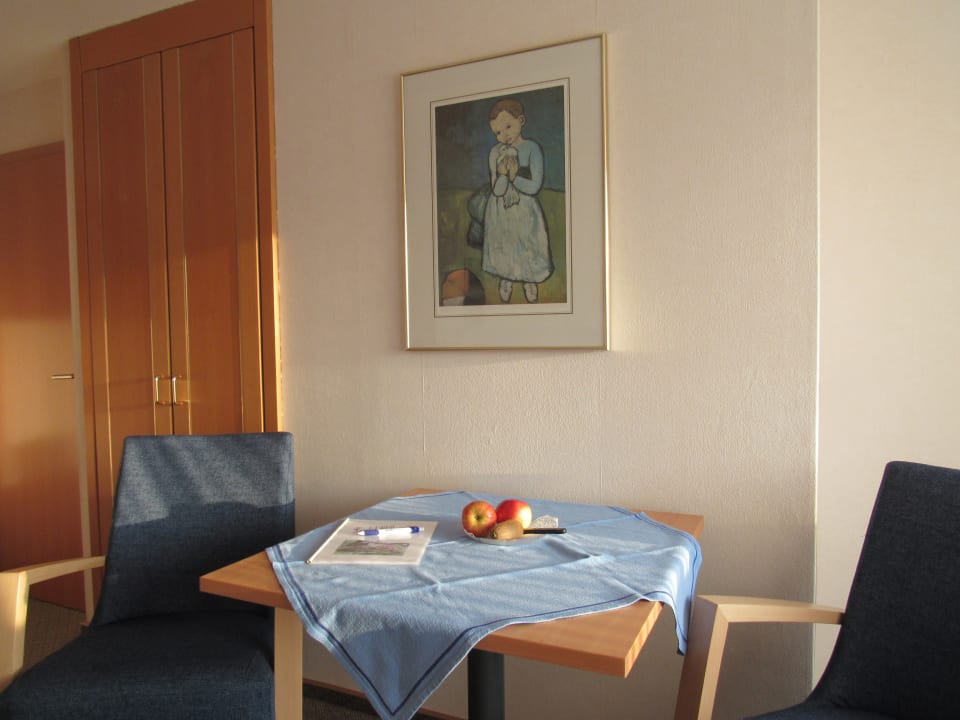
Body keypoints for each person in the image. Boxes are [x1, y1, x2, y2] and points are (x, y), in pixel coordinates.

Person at [481, 98, 553, 303]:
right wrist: (503, 175)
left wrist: (514, 177)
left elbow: (535, 186)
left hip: (525, 208)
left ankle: (529, 279)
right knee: (505, 242)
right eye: (497, 132)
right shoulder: (495, 152)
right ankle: (506, 277)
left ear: (521, 121)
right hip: (501, 208)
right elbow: (497, 191)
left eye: (508, 127)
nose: (504, 136)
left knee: (528, 242)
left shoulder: (532, 148)